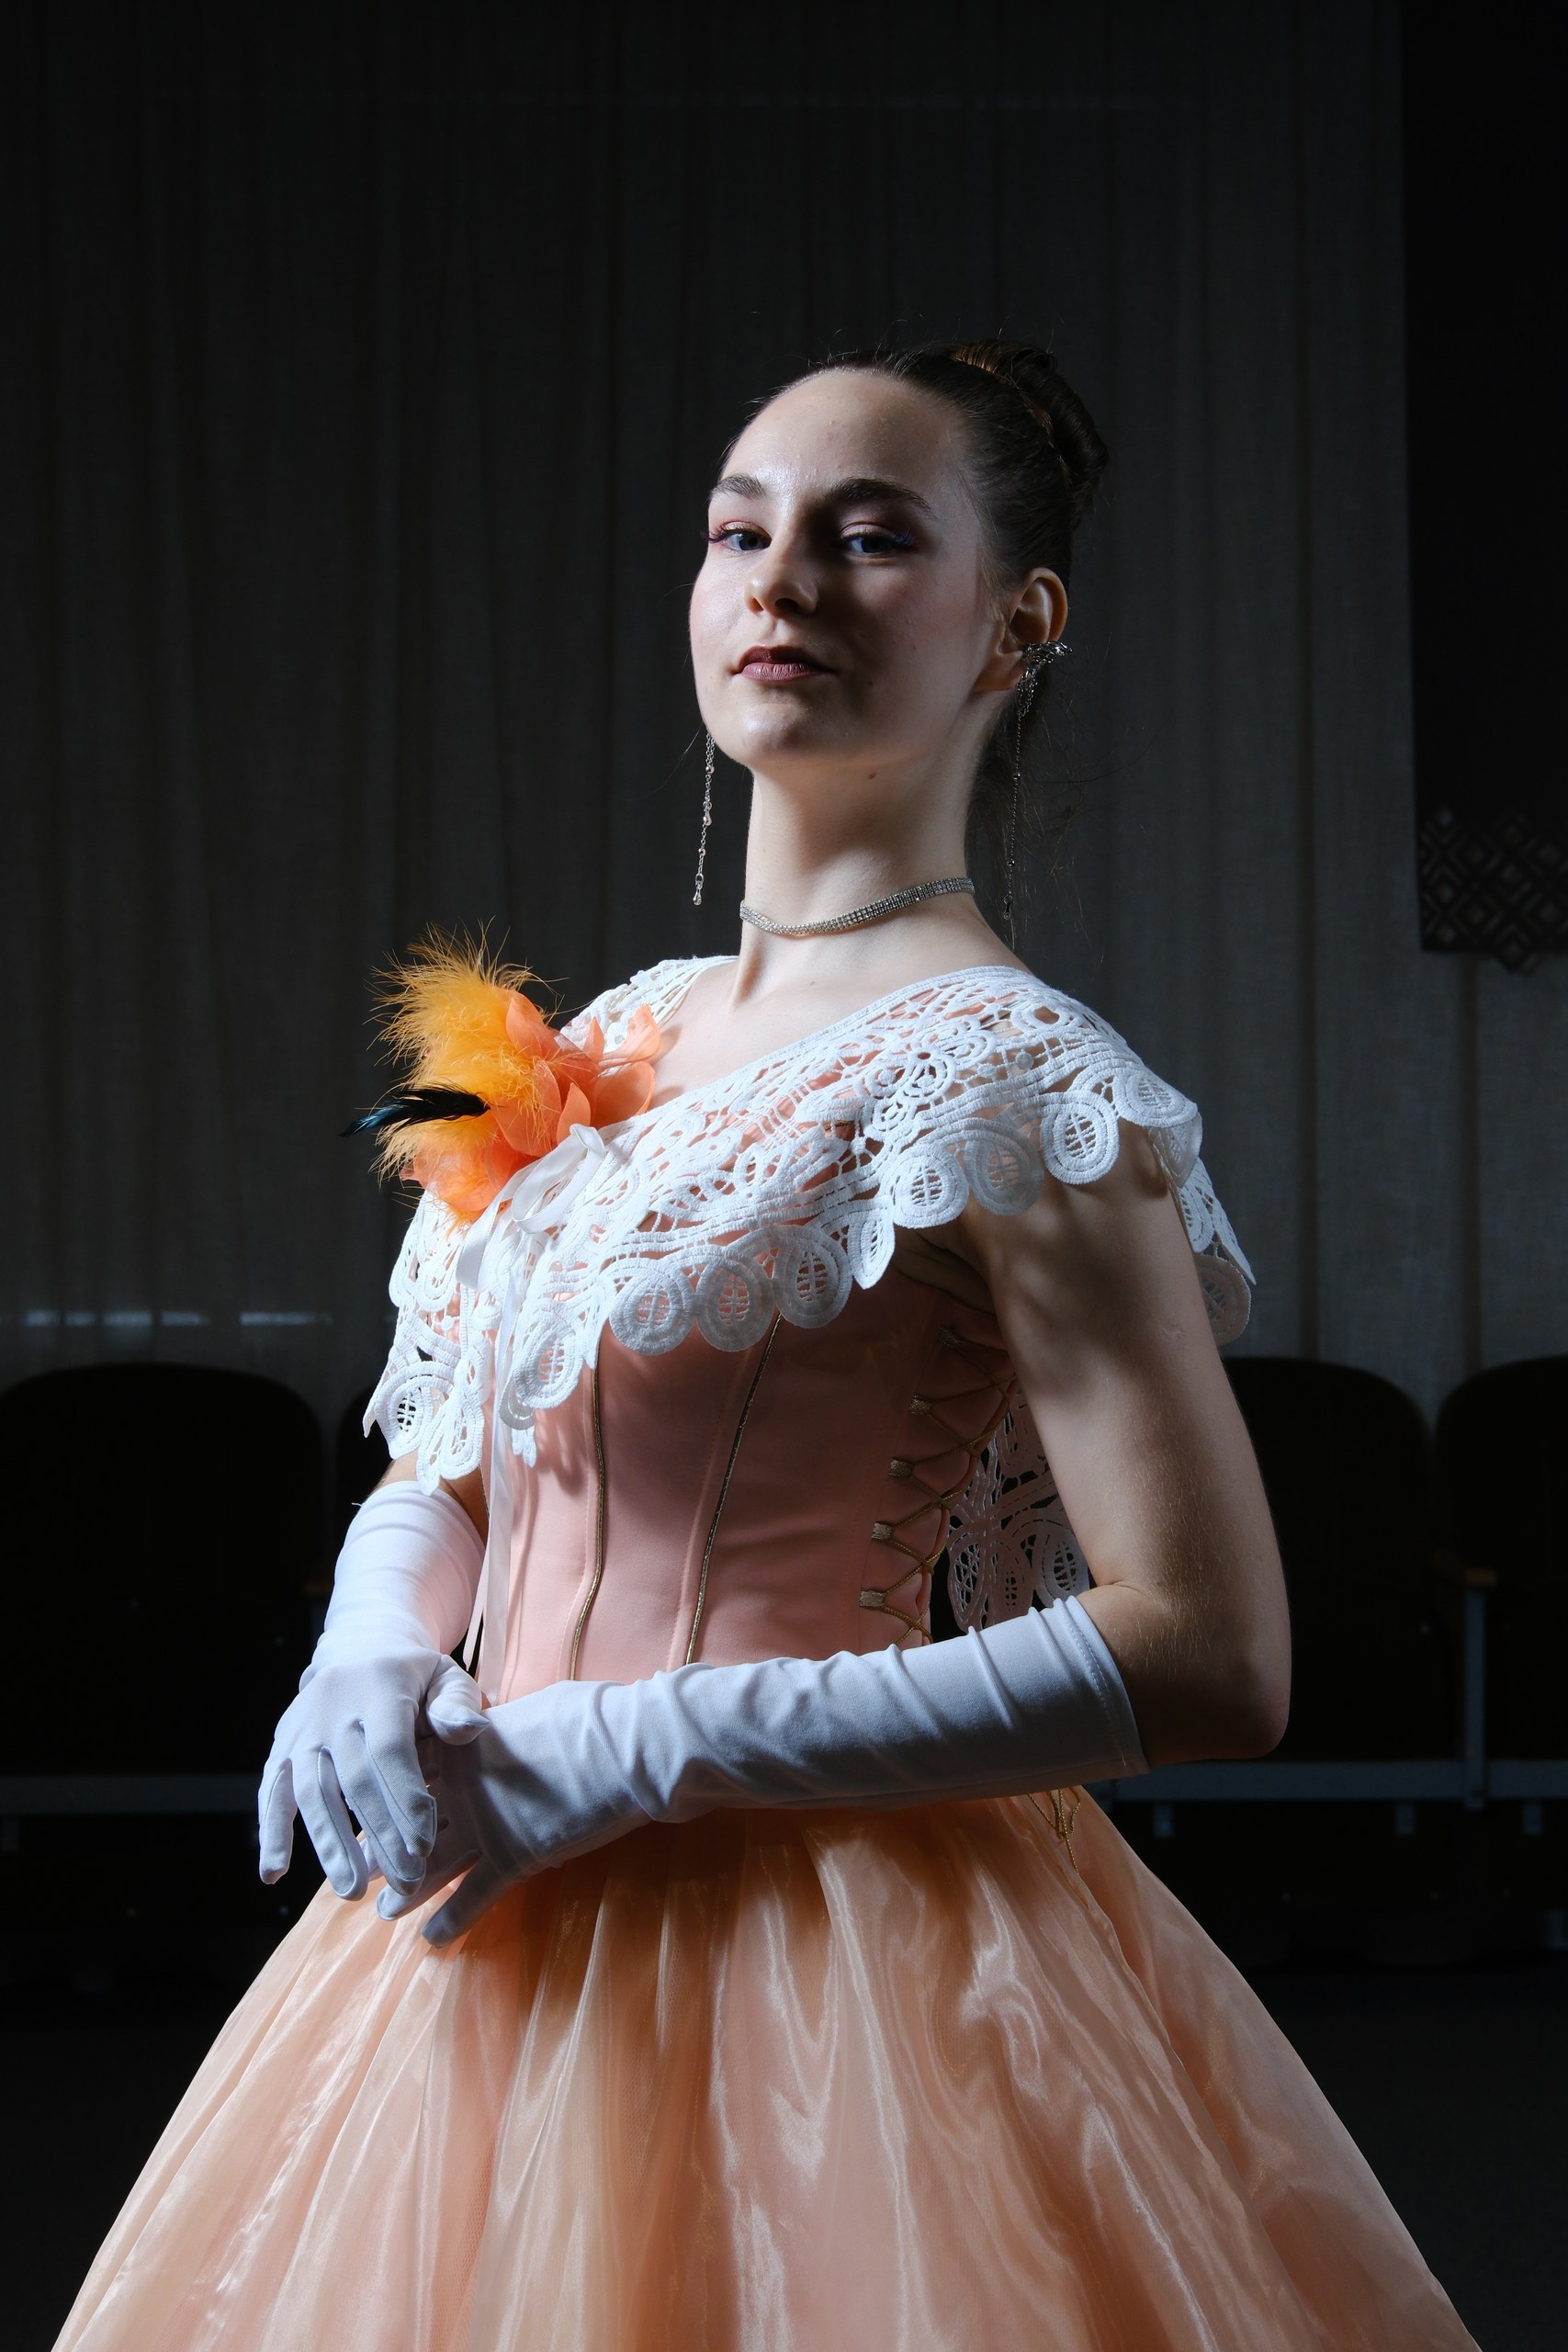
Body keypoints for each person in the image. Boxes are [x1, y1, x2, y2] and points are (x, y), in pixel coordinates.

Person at [55, 342, 1478, 2351]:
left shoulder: (1009, 1077)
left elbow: (1210, 1651)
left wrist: (619, 1747)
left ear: (1018, 622)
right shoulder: (602, 1041)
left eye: (869, 536)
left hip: (843, 1978)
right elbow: (456, 1461)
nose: (781, 581)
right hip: (458, 1942)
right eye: (740, 531)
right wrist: (368, 1643)